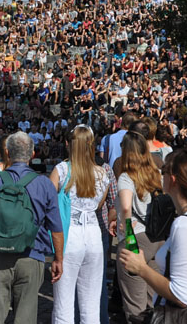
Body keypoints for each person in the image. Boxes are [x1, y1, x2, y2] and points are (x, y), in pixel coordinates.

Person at [0, 132, 64, 324]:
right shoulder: (44, 184)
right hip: (32, 254)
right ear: (33, 154)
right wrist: (58, 258)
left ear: (7, 153)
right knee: (26, 315)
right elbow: (56, 227)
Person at [119, 149, 187, 322]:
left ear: (172, 179)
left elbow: (181, 295)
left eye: (162, 171)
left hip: (185, 317)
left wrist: (141, 268)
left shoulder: (185, 225)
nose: (159, 176)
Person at [50, 125, 112, 323]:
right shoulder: (103, 173)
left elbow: (49, 205)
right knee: (91, 306)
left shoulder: (61, 170)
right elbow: (99, 204)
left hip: (70, 235)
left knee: (63, 306)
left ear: (70, 144)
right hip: (93, 235)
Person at [114, 131, 163, 323]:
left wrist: (127, 234)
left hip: (136, 239)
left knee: (134, 304)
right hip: (157, 239)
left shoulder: (126, 177)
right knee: (152, 300)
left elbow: (126, 206)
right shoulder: (156, 173)